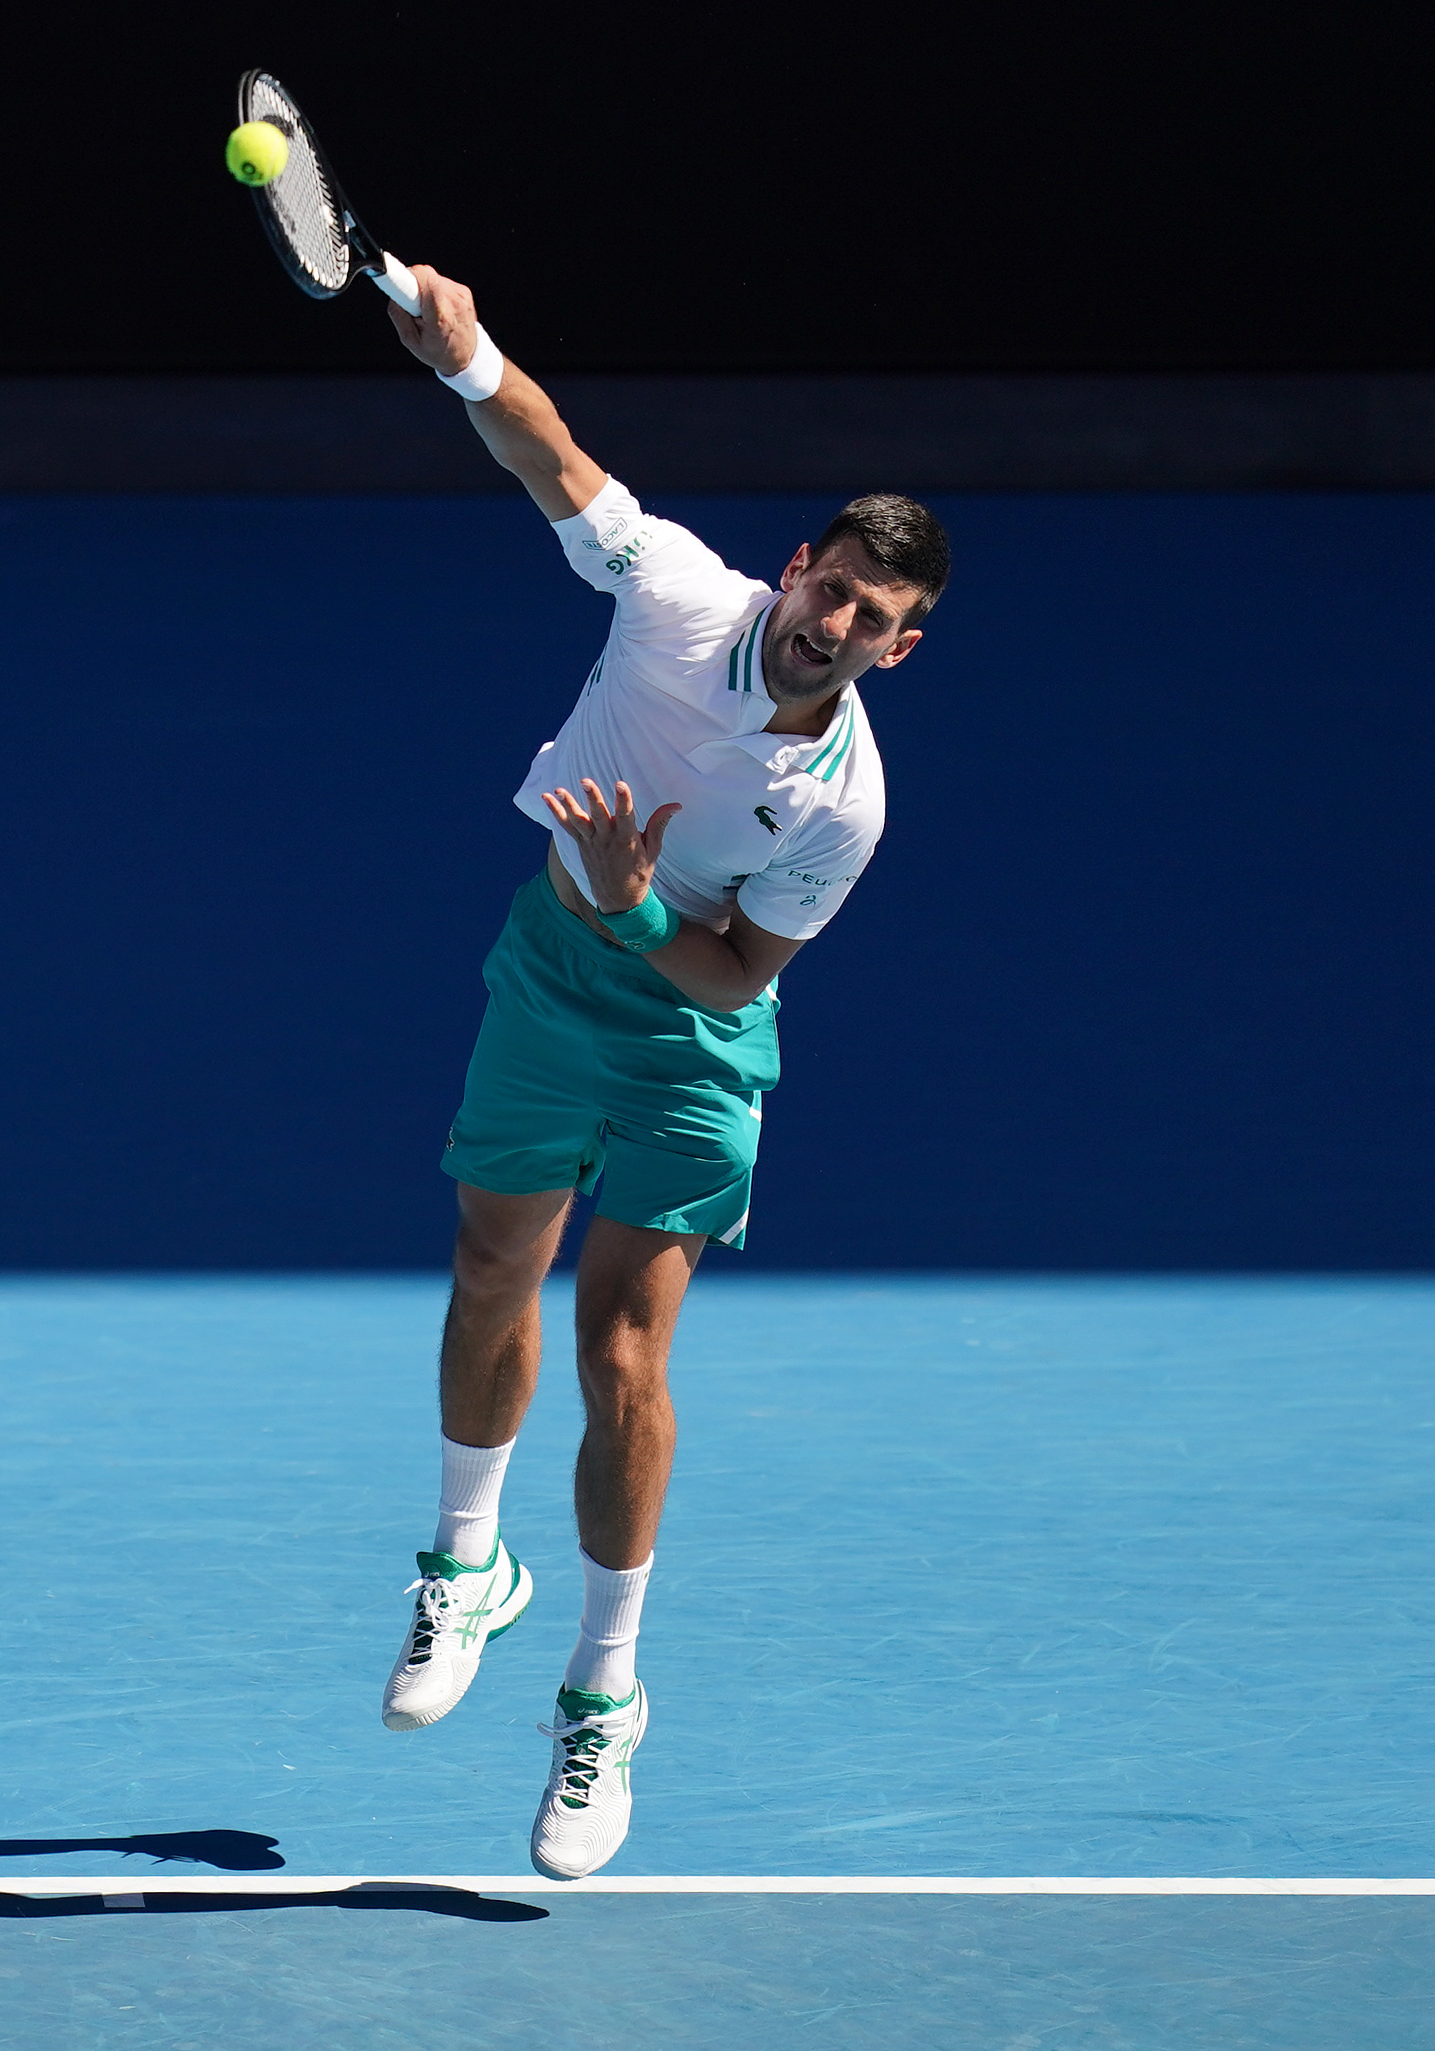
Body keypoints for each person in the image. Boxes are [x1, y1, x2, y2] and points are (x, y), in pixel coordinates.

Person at [365, 264, 953, 1881]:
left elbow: (731, 973)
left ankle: (603, 1691)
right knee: (494, 1270)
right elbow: (557, 462)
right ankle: (464, 1567)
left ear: (904, 651)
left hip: (690, 1034)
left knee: (623, 1347)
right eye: (829, 587)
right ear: (796, 570)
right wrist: (468, 353)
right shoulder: (681, 593)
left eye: (872, 620)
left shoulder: (846, 808)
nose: (833, 623)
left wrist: (632, 910)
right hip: (550, 978)